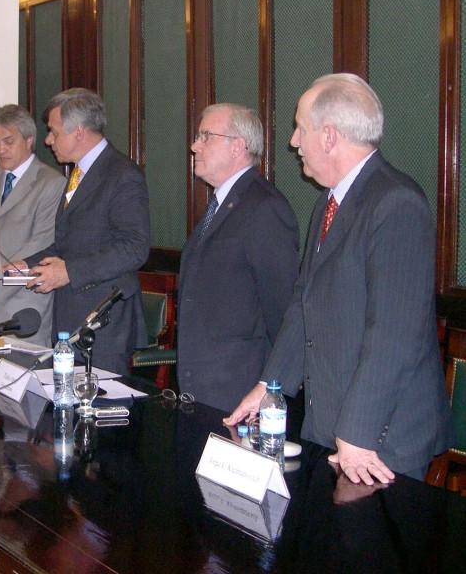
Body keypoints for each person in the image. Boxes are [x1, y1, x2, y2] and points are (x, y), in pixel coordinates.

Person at [225, 74, 454, 483]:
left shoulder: (395, 202)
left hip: (380, 436)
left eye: (300, 128)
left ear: (328, 136)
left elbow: (394, 333)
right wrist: (269, 386)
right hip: (330, 420)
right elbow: (303, 303)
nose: (293, 142)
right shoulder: (328, 203)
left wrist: (358, 432)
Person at [17, 88, 151, 374]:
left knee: (100, 412)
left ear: (78, 131)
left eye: (53, 131)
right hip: (70, 319)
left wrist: (68, 272)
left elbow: (134, 248)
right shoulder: (78, 174)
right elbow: (67, 246)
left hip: (104, 325)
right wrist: (25, 266)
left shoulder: (122, 175)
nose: (48, 140)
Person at [177, 104, 299, 413]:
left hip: (238, 389)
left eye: (205, 136)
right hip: (202, 383)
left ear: (238, 146)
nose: (194, 146)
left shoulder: (264, 208)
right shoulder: (221, 203)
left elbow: (283, 312)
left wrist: (269, 388)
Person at [0, 105, 65, 346]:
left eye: (8, 141)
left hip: (23, 311)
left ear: (29, 140)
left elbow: (41, 244)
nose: (1, 149)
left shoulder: (51, 184)